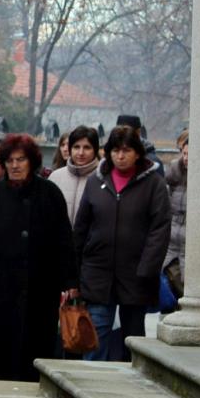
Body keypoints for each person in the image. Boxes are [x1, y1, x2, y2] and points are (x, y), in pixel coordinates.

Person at [0, 135, 78, 381]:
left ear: (31, 162)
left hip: (40, 288)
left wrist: (70, 281)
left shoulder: (49, 194)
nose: (15, 165)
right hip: (0, 289)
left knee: (36, 349)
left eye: (21, 160)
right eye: (10, 160)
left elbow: (63, 240)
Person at [73, 125, 170, 362]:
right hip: (98, 273)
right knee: (96, 335)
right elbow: (82, 227)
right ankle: (91, 387)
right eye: (115, 150)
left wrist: (147, 269)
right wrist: (75, 271)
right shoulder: (96, 182)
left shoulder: (153, 185)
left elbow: (160, 230)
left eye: (126, 150)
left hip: (136, 275)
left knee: (132, 339)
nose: (120, 156)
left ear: (137, 153)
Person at [49, 126, 101, 225]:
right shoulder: (55, 177)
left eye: (87, 147)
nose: (81, 153)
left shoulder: (104, 178)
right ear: (70, 149)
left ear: (95, 150)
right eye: (76, 147)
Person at [163, 129, 189, 302]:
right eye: (184, 153)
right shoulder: (173, 175)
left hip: (191, 253)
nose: (186, 158)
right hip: (171, 252)